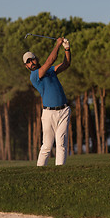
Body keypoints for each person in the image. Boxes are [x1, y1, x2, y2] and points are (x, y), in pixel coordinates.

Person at [22, 37, 71, 166]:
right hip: (49, 114)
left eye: (32, 59)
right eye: (28, 62)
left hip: (64, 110)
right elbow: (51, 60)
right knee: (47, 146)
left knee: (62, 144)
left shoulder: (50, 70)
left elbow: (66, 64)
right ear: (26, 66)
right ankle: (40, 171)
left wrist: (67, 49)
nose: (31, 63)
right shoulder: (35, 75)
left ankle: (60, 171)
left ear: (36, 59)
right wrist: (58, 44)